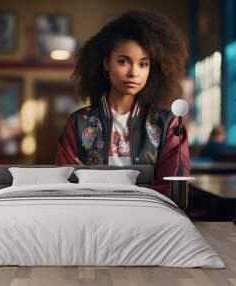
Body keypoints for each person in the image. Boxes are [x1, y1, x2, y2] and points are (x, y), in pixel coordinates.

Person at [56, 10, 190, 197]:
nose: (134, 73)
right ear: (106, 63)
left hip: (149, 216)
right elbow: (67, 182)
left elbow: (172, 185)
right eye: (123, 61)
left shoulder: (168, 124)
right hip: (91, 214)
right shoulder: (79, 123)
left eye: (143, 64)